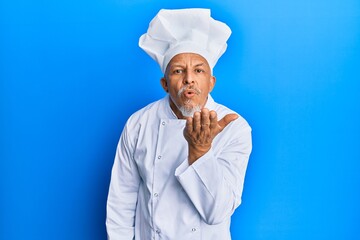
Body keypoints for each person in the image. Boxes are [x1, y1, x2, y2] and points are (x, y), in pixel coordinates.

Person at [106, 8, 252, 240]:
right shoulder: (139, 123)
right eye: (178, 70)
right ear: (165, 83)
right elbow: (121, 202)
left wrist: (200, 152)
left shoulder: (235, 128)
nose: (189, 78)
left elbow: (217, 213)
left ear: (211, 82)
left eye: (198, 70)